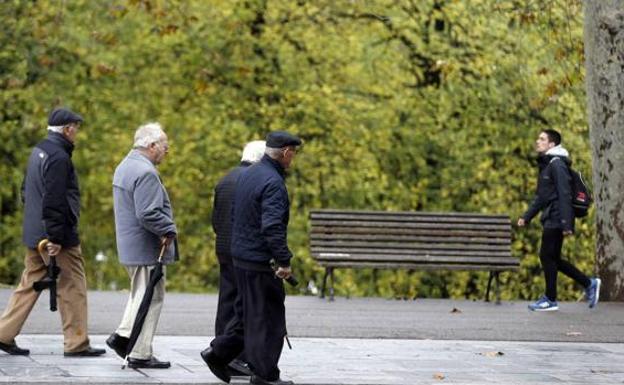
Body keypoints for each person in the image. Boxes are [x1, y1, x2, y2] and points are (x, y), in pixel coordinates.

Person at [0, 107, 105, 357]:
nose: (77, 132)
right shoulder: (59, 157)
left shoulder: (39, 150)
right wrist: (56, 237)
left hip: (36, 233)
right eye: (76, 128)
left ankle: (3, 334)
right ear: (67, 129)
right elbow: (56, 199)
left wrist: (40, 227)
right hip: (56, 237)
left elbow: (27, 191)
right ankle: (76, 343)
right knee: (73, 286)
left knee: (30, 283)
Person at [201, 131, 301, 385]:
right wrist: (284, 261)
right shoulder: (273, 183)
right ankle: (265, 374)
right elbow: (272, 227)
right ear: (286, 152)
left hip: (241, 258)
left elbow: (234, 216)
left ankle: (218, 352)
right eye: (294, 153)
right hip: (260, 261)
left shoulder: (249, 175)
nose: (294, 158)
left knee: (246, 314)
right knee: (268, 318)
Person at [106, 122, 178, 369]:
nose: (167, 151)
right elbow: (148, 213)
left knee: (141, 295)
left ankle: (125, 338)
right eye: (165, 146)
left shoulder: (125, 166)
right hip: (146, 248)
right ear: (151, 145)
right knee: (151, 297)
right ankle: (137, 350)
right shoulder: (146, 172)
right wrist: (169, 229)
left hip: (131, 246)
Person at [518, 129, 600, 311]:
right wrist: (526, 217)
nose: (537, 141)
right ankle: (589, 283)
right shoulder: (548, 165)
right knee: (553, 258)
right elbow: (542, 197)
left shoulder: (557, 164)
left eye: (542, 139)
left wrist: (566, 223)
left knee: (546, 256)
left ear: (552, 144)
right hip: (552, 215)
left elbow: (565, 193)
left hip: (557, 217)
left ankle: (550, 299)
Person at [211, 140, 266, 377]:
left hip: (223, 247)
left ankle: (220, 350)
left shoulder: (226, 179)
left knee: (226, 301)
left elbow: (215, 217)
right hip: (242, 252)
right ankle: (234, 356)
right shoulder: (253, 181)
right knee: (244, 305)